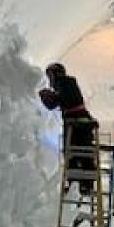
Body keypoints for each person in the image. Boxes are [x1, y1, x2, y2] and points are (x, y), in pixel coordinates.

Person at [39, 62, 97, 195]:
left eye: (50, 76)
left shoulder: (66, 82)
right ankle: (80, 185)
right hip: (77, 123)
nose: (50, 80)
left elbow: (56, 103)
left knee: (76, 154)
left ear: (56, 74)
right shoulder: (67, 83)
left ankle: (81, 185)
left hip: (78, 124)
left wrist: (45, 95)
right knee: (78, 154)